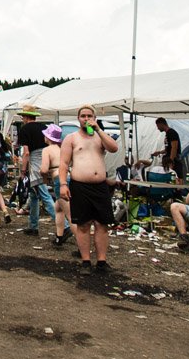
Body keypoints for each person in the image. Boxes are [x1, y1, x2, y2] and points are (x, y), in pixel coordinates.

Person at [58, 106, 119, 274]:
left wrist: (98, 128)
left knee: (102, 224)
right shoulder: (71, 138)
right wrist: (63, 184)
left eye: (89, 116)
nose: (86, 118)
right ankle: (85, 261)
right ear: (78, 118)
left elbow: (114, 148)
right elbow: (63, 163)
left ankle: (101, 262)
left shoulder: (100, 137)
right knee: (83, 225)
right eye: (83, 116)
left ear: (95, 117)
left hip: (100, 186)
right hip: (80, 185)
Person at [16, 106, 49, 234]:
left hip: (35, 161)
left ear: (26, 117)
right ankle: (33, 226)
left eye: (23, 117)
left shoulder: (24, 129)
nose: (22, 119)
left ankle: (66, 226)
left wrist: (23, 171)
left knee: (43, 193)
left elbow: (26, 153)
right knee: (34, 194)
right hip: (46, 158)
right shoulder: (44, 127)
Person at [39, 123, 72, 246]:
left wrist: (44, 177)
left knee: (70, 214)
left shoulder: (46, 150)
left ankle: (81, 246)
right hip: (68, 177)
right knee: (58, 209)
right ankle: (59, 236)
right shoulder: (62, 149)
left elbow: (43, 169)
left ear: (48, 138)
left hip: (59, 180)